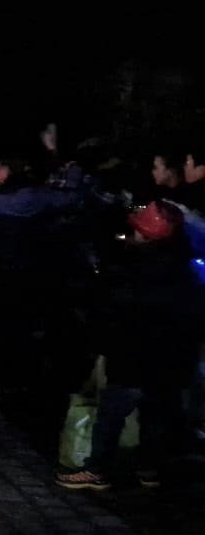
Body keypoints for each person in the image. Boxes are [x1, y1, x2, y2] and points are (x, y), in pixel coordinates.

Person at [57, 201, 201, 490]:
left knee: (111, 416)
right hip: (171, 361)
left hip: (133, 358)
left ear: (146, 235)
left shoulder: (134, 269)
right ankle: (149, 469)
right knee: (155, 416)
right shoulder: (185, 271)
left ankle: (97, 469)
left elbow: (113, 313)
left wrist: (100, 345)